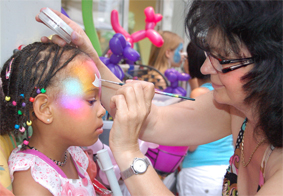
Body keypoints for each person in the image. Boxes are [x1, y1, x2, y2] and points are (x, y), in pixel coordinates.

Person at [36, 1, 282, 195]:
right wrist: (91, 60)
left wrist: (129, 152)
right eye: (209, 54)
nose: (206, 68)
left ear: (270, 65)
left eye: (222, 59)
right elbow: (155, 122)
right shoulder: (237, 111)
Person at [1, 42, 106, 195]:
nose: (102, 110)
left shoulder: (73, 153)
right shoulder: (33, 182)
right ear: (45, 109)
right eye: (91, 100)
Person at [176, 42, 234, 196]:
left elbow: (192, 144)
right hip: (225, 170)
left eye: (187, 58)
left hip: (199, 174)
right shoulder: (228, 93)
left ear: (195, 62)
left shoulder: (198, 94)